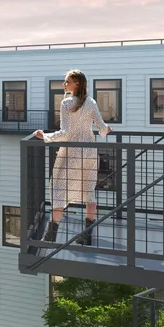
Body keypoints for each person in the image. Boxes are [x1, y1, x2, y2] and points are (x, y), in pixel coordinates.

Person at [34, 69, 111, 243]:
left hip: (72, 152)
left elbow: (66, 133)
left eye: (67, 81)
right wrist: (106, 130)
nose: (64, 84)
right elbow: (102, 127)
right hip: (90, 152)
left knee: (58, 189)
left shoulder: (67, 103)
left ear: (77, 83)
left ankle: (51, 235)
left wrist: (45, 136)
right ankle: (87, 235)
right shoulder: (91, 102)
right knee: (89, 192)